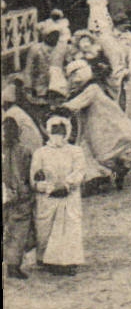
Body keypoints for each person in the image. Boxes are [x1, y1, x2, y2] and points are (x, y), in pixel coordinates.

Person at [61, 59, 131, 188]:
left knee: (104, 151)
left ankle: (104, 175)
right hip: (104, 122)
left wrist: (62, 107)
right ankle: (107, 175)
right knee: (105, 150)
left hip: (103, 124)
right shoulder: (94, 87)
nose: (74, 80)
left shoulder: (92, 89)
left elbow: (76, 104)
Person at [30, 115, 86, 275]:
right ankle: (47, 260)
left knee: (69, 229)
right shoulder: (40, 153)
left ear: (67, 131)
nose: (58, 134)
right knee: (46, 231)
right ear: (48, 131)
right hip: (48, 199)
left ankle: (68, 263)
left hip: (69, 197)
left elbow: (79, 171)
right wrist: (49, 188)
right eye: (55, 130)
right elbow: (35, 177)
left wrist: (67, 185)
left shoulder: (76, 151)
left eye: (61, 130)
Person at [3, 77, 43, 279]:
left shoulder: (6, 150)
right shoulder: (22, 150)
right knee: (19, 228)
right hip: (19, 194)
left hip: (6, 193)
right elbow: (28, 172)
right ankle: (13, 264)